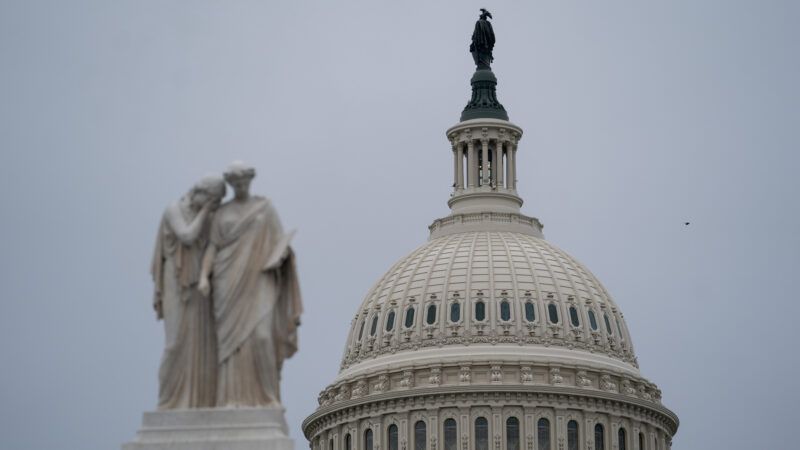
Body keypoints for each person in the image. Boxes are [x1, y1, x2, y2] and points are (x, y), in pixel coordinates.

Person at [198, 161, 303, 407]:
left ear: (250, 181)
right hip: (227, 280)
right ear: (231, 184)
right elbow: (212, 248)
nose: (240, 186)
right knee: (231, 347)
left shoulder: (264, 209)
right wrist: (204, 276)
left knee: (262, 337)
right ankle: (230, 399)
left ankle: (267, 397)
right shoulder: (222, 214)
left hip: (260, 278)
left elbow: (280, 242)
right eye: (236, 183)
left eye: (244, 181)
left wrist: (283, 255)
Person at [151, 175, 225, 409]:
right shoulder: (174, 209)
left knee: (200, 347)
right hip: (176, 281)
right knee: (175, 344)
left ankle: (197, 402)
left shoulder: (206, 216)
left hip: (198, 287)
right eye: (212, 199)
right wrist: (206, 211)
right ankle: (167, 401)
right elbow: (187, 236)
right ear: (200, 192)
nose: (213, 205)